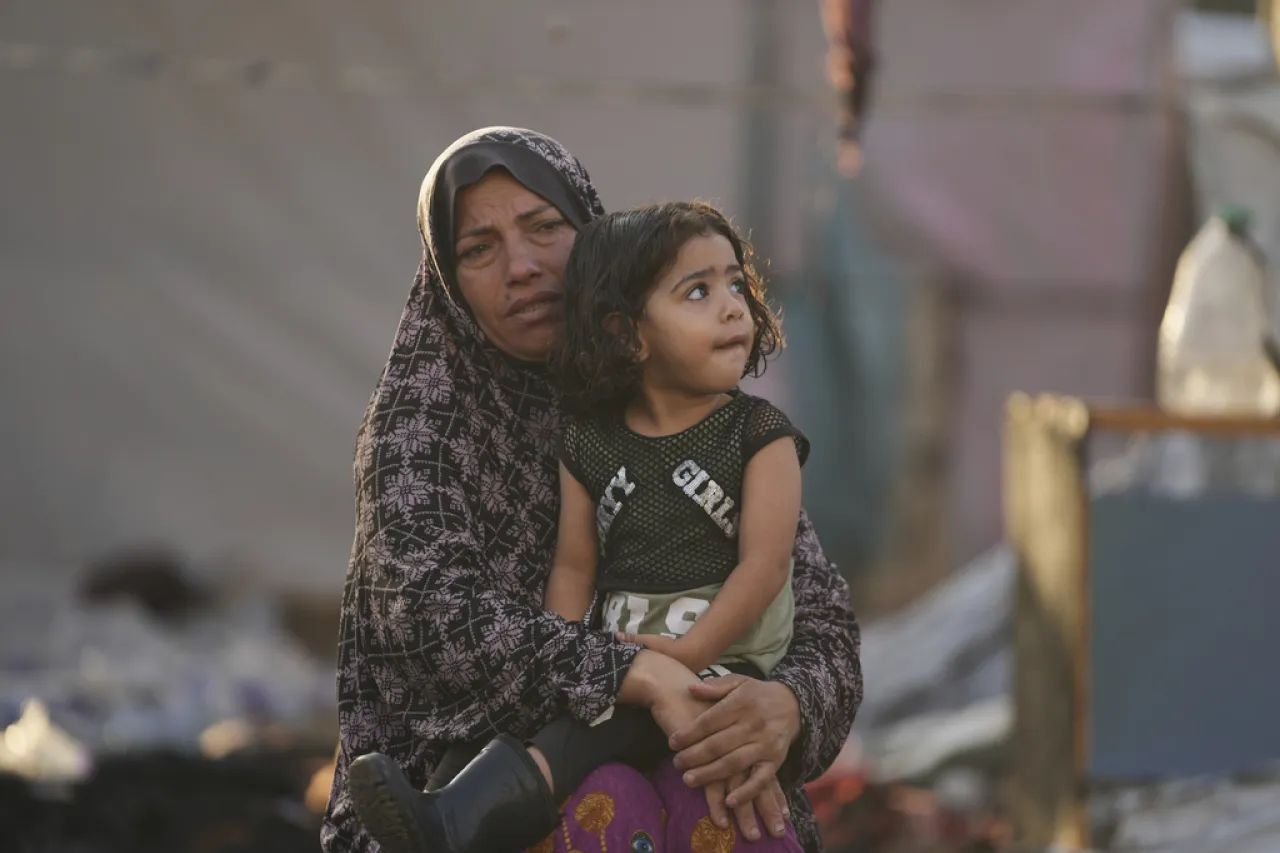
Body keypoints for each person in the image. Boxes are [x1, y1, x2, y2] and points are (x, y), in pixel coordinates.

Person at [321, 127, 863, 853]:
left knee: (723, 804)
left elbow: (819, 614)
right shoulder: (422, 424)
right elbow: (430, 614)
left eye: (545, 227)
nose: (522, 266)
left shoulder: (686, 401)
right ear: (447, 281)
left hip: (694, 752)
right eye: (478, 249)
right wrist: (633, 672)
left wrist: (785, 705)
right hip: (467, 790)